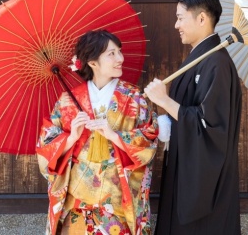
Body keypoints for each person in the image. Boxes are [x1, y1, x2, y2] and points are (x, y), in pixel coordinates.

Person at [37, 30, 159, 235]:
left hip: (117, 198)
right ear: (92, 62)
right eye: (111, 54)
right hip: (77, 198)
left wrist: (114, 135)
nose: (120, 58)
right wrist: (72, 137)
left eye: (119, 51)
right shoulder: (69, 100)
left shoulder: (134, 97)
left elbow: (149, 138)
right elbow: (46, 145)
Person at [144, 0, 242, 235]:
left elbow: (210, 126)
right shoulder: (202, 58)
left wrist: (164, 101)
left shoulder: (216, 64)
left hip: (205, 181)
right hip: (186, 165)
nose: (176, 25)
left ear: (201, 18)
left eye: (180, 18)